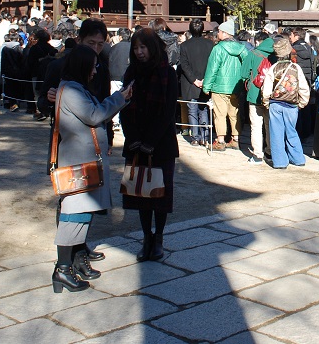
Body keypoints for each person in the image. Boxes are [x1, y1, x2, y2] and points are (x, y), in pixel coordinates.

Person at [50, 45, 130, 293]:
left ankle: (72, 263)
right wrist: (120, 98)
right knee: (74, 215)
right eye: (93, 65)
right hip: (78, 162)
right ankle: (62, 269)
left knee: (82, 214)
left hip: (83, 159)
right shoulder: (72, 91)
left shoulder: (75, 88)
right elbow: (94, 115)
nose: (96, 70)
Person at [120, 28, 181, 262]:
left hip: (160, 142)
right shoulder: (131, 72)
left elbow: (168, 111)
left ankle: (159, 238)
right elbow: (124, 105)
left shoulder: (168, 73)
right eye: (136, 48)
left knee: (160, 195)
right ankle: (146, 236)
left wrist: (151, 141)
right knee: (141, 194)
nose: (139, 52)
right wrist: (133, 138)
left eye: (143, 47)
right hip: (136, 140)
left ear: (153, 47)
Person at [261, 36, 309, 169]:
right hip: (292, 105)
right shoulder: (296, 68)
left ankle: (280, 162)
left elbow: (266, 89)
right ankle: (298, 158)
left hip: (275, 104)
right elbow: (304, 88)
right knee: (292, 131)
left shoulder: (274, 68)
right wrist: (302, 103)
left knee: (276, 133)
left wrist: (266, 102)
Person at [202, 20, 247, 151]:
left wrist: (207, 86)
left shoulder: (218, 49)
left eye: (220, 31)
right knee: (234, 114)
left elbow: (212, 69)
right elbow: (247, 66)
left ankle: (220, 141)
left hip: (219, 86)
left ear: (226, 33)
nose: (218, 34)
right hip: (236, 86)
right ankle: (236, 139)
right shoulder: (242, 49)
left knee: (220, 114)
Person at [241, 32, 274, 164]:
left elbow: (243, 74)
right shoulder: (276, 55)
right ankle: (271, 151)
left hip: (255, 94)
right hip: (272, 95)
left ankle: (257, 154)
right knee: (270, 124)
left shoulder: (253, 53)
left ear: (259, 41)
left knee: (256, 125)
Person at [178, 20, 212, 145]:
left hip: (190, 82)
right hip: (205, 80)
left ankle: (195, 138)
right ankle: (205, 136)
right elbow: (211, 64)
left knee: (192, 109)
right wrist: (205, 79)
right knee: (203, 108)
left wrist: (193, 80)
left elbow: (184, 65)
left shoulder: (184, 45)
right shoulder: (210, 44)